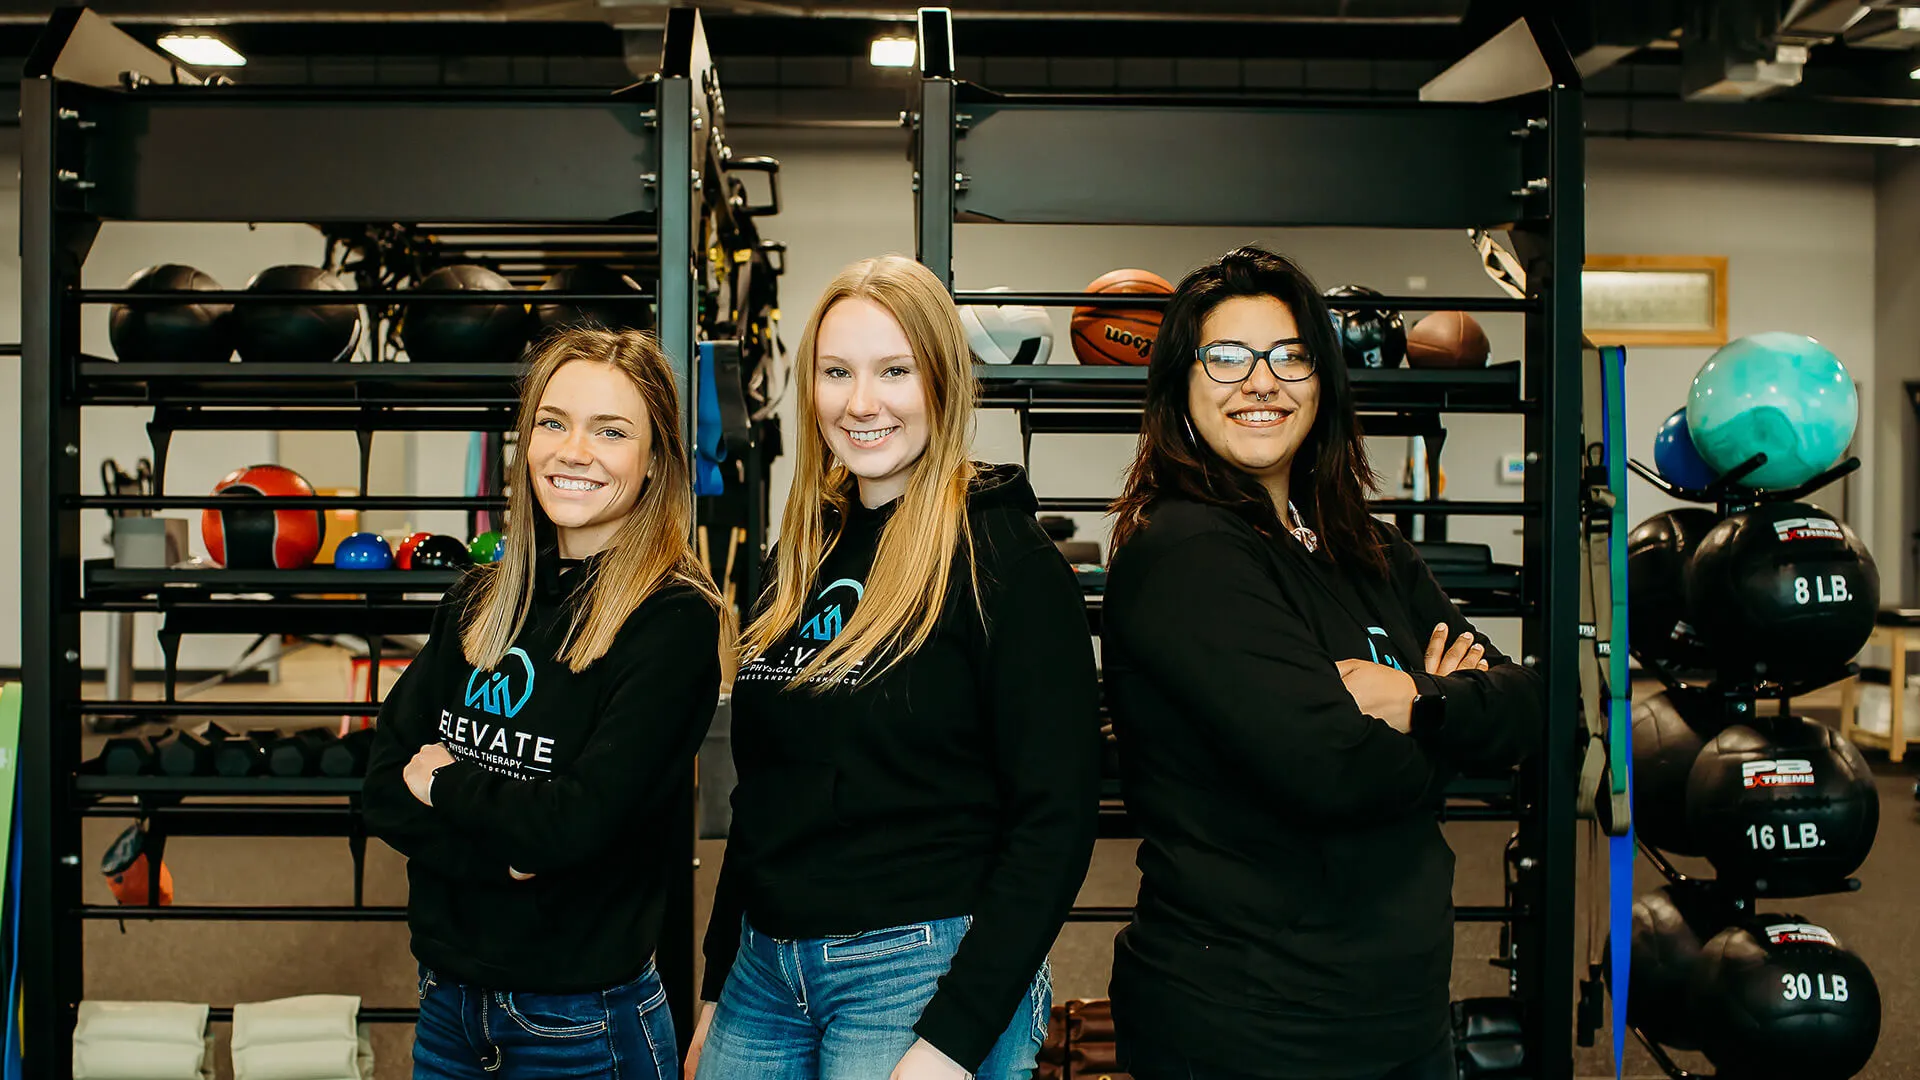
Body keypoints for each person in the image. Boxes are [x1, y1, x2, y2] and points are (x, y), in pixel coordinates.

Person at [1100, 246, 1544, 1080]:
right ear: (1181, 390)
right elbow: (1332, 771)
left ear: (1323, 381)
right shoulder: (1186, 553)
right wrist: (1451, 705)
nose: (1260, 381)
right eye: (1226, 356)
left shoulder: (1367, 547)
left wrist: (1413, 700)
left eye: (1289, 355)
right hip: (1252, 1022)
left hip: (1399, 1007)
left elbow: (1533, 708)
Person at [687, 255, 1101, 1080]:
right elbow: (763, 792)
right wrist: (714, 985)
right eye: (837, 372)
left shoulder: (1005, 560)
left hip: (920, 971)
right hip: (765, 975)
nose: (861, 402)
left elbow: (1055, 821)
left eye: (894, 371)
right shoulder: (798, 554)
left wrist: (955, 1037)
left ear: (944, 380)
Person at [363, 326, 724, 1079]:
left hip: (582, 1027)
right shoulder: (479, 597)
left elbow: (575, 824)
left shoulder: (671, 620)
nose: (573, 450)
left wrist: (446, 784)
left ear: (655, 459)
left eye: (611, 430)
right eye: (552, 422)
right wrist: (510, 858)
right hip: (446, 1009)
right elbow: (379, 789)